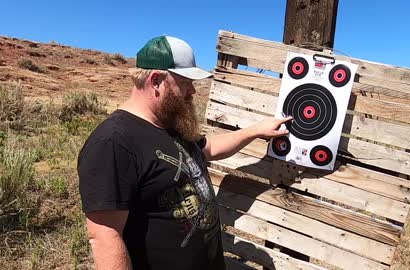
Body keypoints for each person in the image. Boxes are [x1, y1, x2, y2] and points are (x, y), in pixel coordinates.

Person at [77, 35, 292, 270]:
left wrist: (255, 131)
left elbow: (209, 149)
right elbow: (105, 237)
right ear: (157, 80)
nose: (193, 90)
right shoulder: (114, 142)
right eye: (186, 82)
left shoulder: (169, 125)